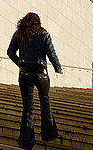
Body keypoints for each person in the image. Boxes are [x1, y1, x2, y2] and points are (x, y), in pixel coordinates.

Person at [7, 12, 63, 149]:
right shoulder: (44, 34)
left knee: (28, 107)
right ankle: (48, 134)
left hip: (24, 73)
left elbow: (10, 52)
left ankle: (26, 140)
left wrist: (21, 63)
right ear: (38, 23)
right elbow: (51, 53)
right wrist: (58, 68)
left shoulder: (19, 34)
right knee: (45, 102)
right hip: (40, 74)